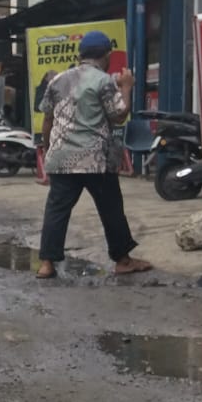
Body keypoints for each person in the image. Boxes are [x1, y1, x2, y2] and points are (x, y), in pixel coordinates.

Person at [36, 31, 153, 280]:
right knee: (111, 208)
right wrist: (127, 87)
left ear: (81, 55)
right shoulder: (103, 81)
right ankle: (123, 260)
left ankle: (47, 264)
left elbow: (47, 120)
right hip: (94, 160)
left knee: (56, 210)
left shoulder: (57, 80)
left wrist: (48, 151)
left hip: (61, 157)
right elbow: (119, 115)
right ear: (106, 56)